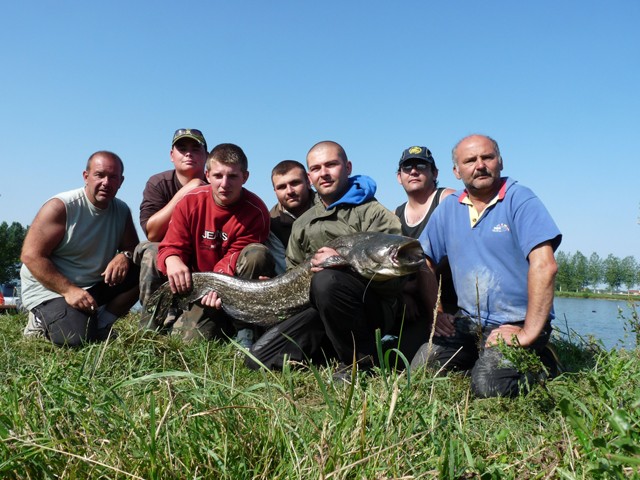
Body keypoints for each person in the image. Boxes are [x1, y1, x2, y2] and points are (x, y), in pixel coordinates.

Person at [411, 134, 562, 398]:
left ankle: (543, 361)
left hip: (515, 322)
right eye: (470, 160)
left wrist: (527, 332)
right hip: (468, 321)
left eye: (487, 157)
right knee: (422, 369)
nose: (479, 165)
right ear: (457, 172)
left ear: (500, 162)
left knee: (488, 385)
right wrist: (438, 312)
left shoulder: (520, 200)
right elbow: (423, 259)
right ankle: (480, 356)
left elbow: (545, 266)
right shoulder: (449, 208)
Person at [247, 141, 404, 378]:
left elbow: (397, 275)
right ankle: (329, 349)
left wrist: (347, 263)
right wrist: (275, 286)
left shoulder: (374, 213)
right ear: (310, 176)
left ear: (348, 167)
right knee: (259, 359)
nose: (324, 173)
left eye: (331, 165)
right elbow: (294, 275)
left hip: (372, 308)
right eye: (317, 168)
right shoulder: (303, 223)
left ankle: (361, 363)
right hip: (319, 309)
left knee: (327, 280)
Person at [156, 143, 275, 343]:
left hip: (233, 287)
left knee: (257, 253)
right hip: (195, 286)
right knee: (187, 342)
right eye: (218, 176)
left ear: (245, 177)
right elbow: (171, 244)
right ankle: (153, 326)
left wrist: (216, 285)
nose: (224, 183)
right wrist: (172, 259)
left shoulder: (256, 211)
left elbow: (236, 255)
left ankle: (245, 327)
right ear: (207, 175)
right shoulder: (189, 202)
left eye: (233, 176)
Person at [20, 151, 140, 346]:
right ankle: (39, 319)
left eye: (113, 177)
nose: (106, 183)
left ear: (121, 181)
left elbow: (133, 248)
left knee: (145, 269)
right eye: (99, 175)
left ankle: (102, 325)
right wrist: (69, 290)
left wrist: (124, 256)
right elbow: (31, 256)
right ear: (86, 176)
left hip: (92, 285)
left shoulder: (121, 210)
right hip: (52, 289)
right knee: (75, 339)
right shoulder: (61, 207)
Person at [135, 128, 208, 317]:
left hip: (204, 252)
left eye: (196, 148)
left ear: (207, 155)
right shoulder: (158, 183)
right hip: (167, 251)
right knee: (151, 251)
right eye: (182, 148)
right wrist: (186, 192)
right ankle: (151, 321)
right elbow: (152, 234)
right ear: (171, 155)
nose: (188, 153)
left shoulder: (219, 183)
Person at [393, 146, 455, 361]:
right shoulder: (395, 215)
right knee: (400, 356)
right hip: (414, 301)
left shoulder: (448, 199)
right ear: (399, 177)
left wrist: (414, 286)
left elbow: (454, 252)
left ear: (434, 173)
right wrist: (404, 293)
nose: (414, 171)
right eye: (407, 167)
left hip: (450, 300)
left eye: (421, 166)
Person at [266, 160, 316, 274]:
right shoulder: (271, 224)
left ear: (308, 182)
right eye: (282, 187)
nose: (289, 191)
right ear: (275, 191)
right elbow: (283, 270)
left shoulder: (328, 206)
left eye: (295, 183)